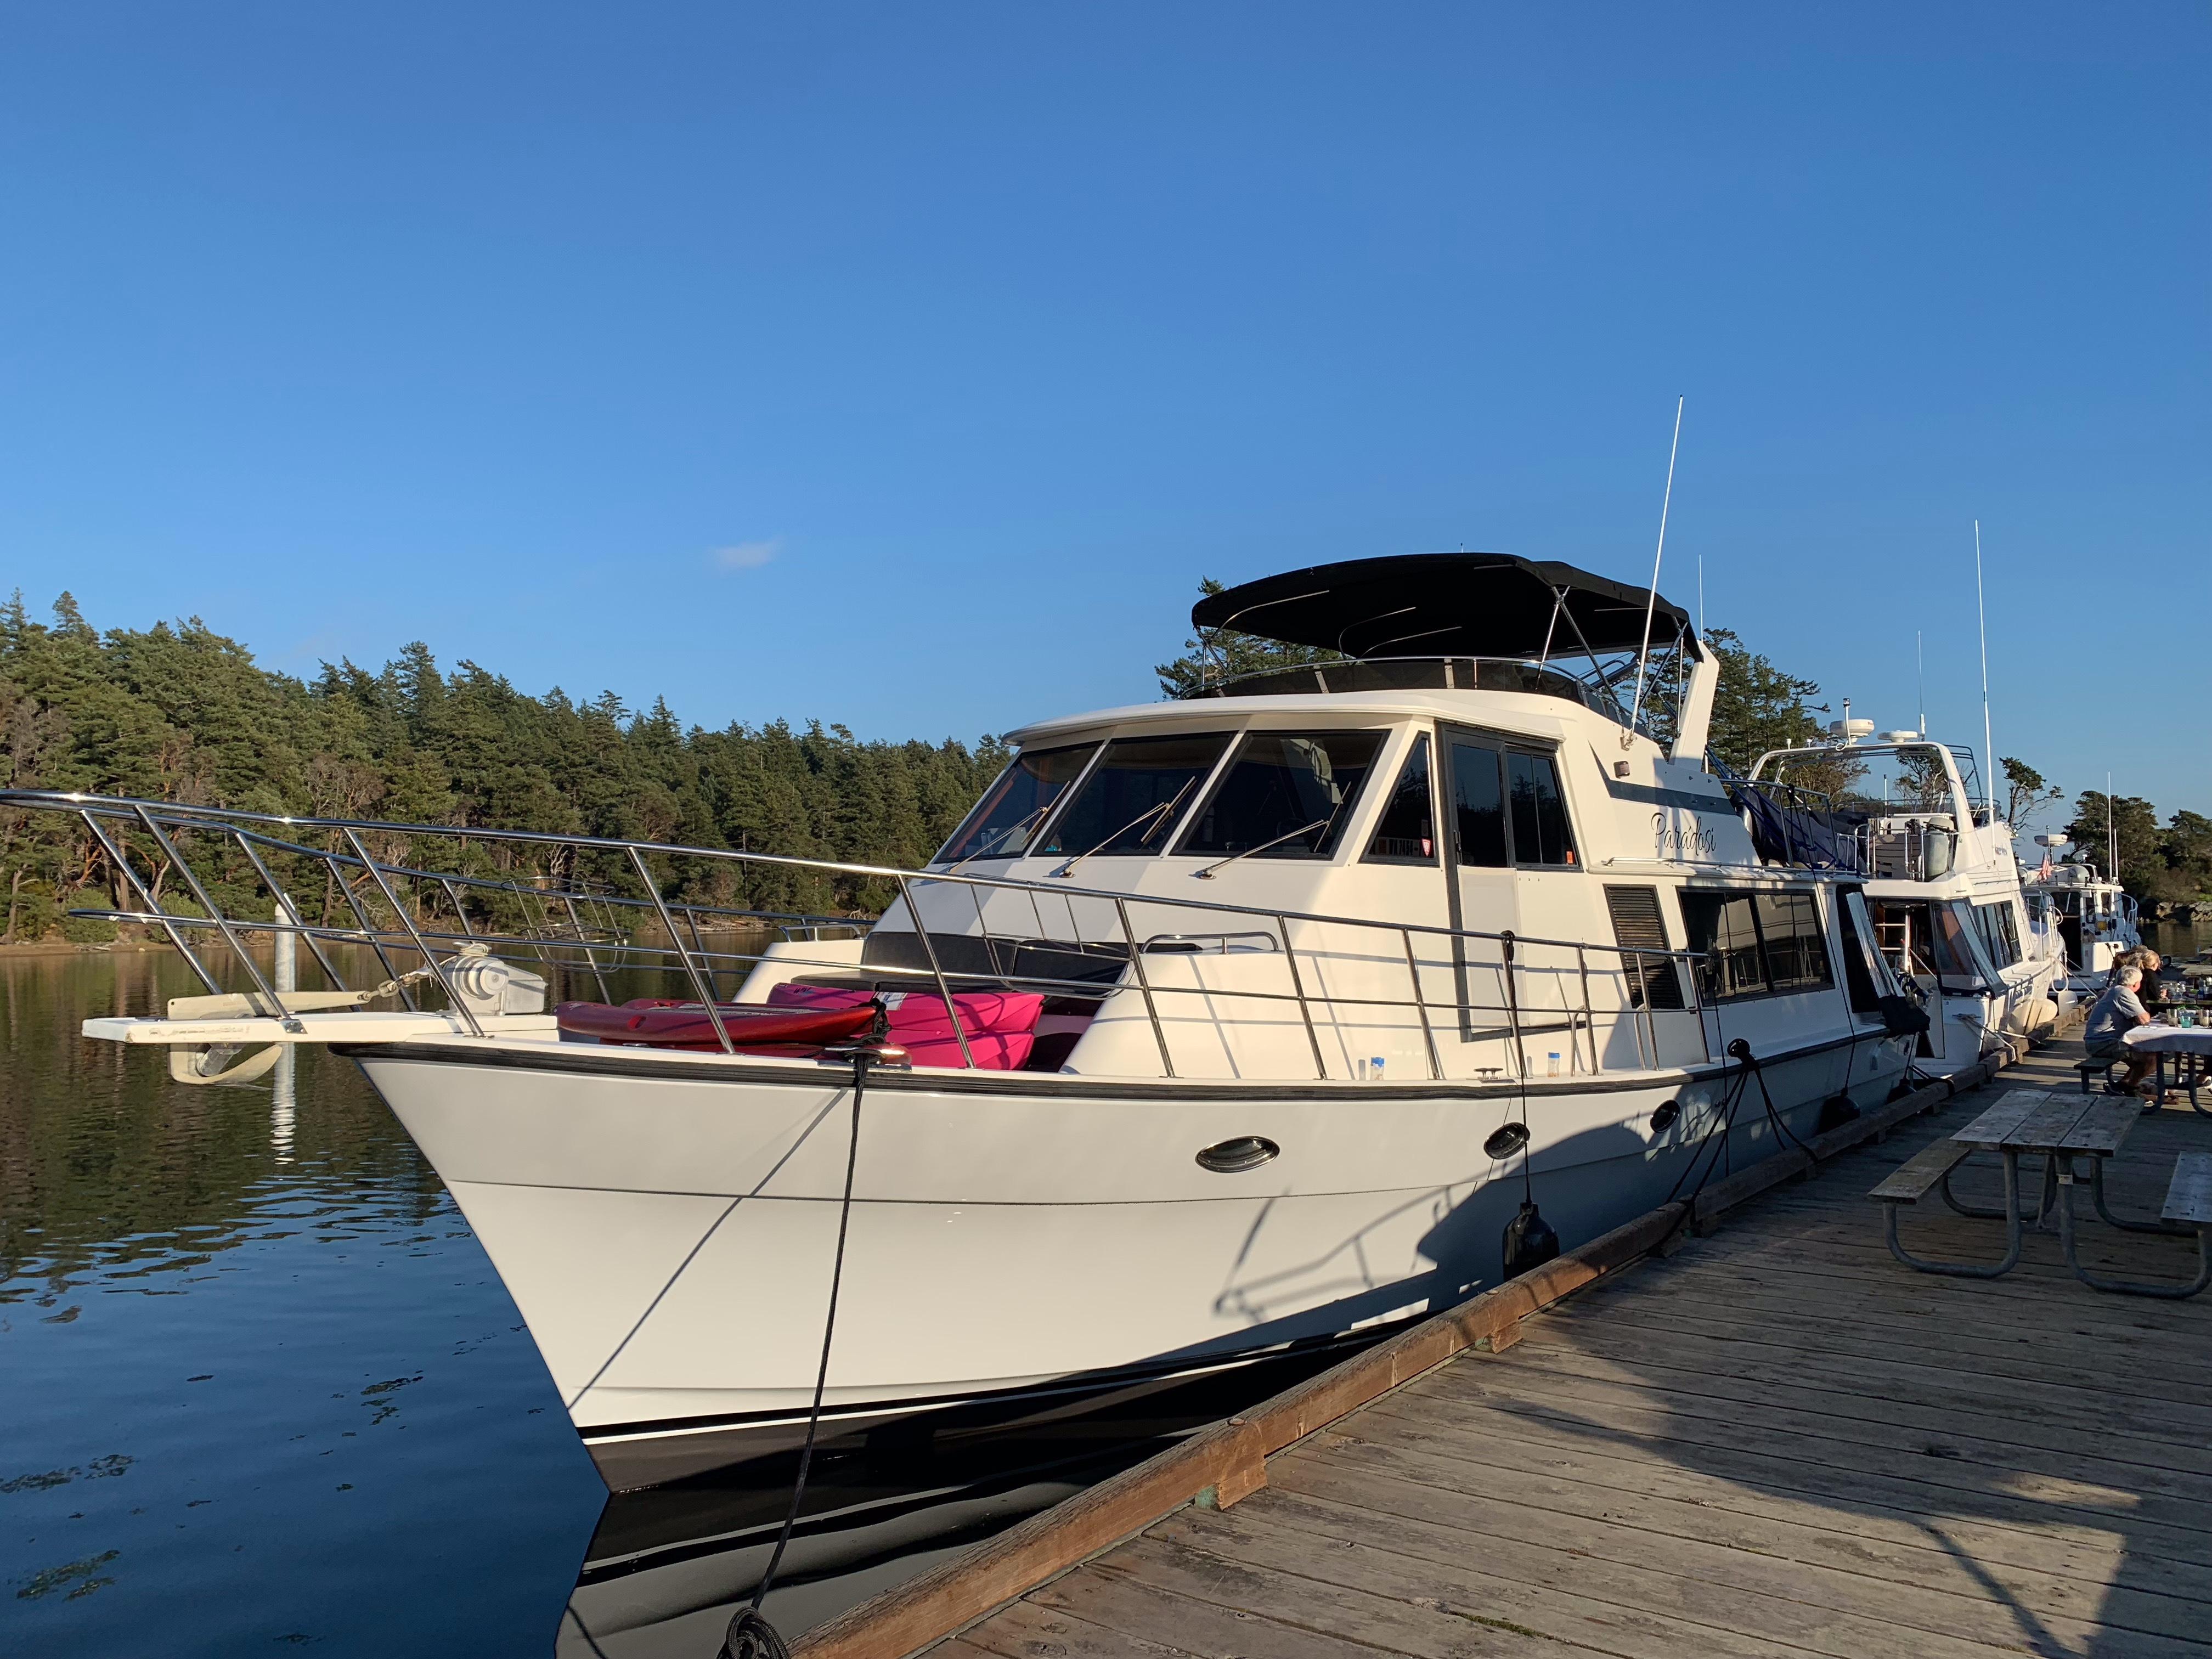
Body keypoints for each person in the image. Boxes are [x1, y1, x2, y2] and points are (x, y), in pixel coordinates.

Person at [2085, 964, 2160, 1099]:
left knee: (2145, 1053)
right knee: (2152, 1058)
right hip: (2103, 1043)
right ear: (2136, 984)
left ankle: (2125, 1084)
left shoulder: (2115, 990)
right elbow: (2144, 1020)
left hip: (2101, 1040)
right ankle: (2131, 1089)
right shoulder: (2124, 993)